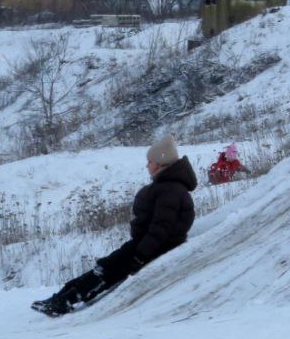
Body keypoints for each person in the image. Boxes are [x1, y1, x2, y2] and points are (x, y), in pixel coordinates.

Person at [31, 134, 197, 317]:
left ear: (160, 163)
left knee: (108, 270)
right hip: (145, 244)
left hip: (153, 248)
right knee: (104, 266)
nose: (147, 165)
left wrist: (141, 255)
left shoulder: (170, 190)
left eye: (150, 161)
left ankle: (63, 302)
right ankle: (59, 298)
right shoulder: (167, 187)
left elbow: (161, 228)